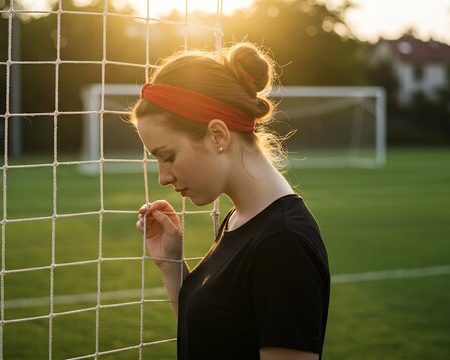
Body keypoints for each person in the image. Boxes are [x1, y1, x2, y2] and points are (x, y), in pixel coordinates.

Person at [132, 42, 330, 360]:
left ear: (218, 135)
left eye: (167, 156)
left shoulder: (283, 242)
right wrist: (171, 264)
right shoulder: (242, 219)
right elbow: (211, 341)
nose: (163, 178)